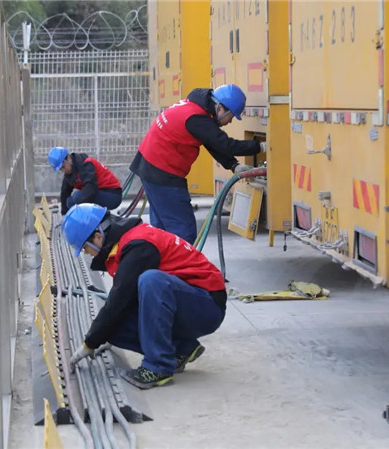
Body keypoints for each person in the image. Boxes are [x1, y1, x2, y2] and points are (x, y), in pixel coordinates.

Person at [63, 203, 227, 389]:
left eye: (85, 248)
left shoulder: (138, 245)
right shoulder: (126, 244)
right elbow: (121, 304)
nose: (87, 253)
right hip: (187, 301)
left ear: (98, 237)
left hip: (207, 305)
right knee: (113, 328)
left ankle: (158, 367)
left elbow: (120, 297)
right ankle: (182, 348)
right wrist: (98, 335)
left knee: (151, 281)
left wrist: (89, 343)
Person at [130, 84, 266, 243]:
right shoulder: (197, 118)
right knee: (183, 233)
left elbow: (211, 142)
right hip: (163, 174)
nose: (229, 122)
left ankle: (162, 265)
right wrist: (262, 146)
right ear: (220, 108)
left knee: (162, 230)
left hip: (149, 167)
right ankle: (180, 266)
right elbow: (226, 145)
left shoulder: (193, 107)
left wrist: (233, 165)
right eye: (231, 117)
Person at [47, 147, 123, 215]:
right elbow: (64, 193)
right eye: (61, 169)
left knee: (77, 198)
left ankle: (95, 221)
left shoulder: (86, 164)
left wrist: (78, 208)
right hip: (98, 193)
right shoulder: (70, 172)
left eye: (63, 167)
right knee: (69, 202)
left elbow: (91, 189)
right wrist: (64, 215)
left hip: (112, 195)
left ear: (68, 158)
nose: (63, 171)